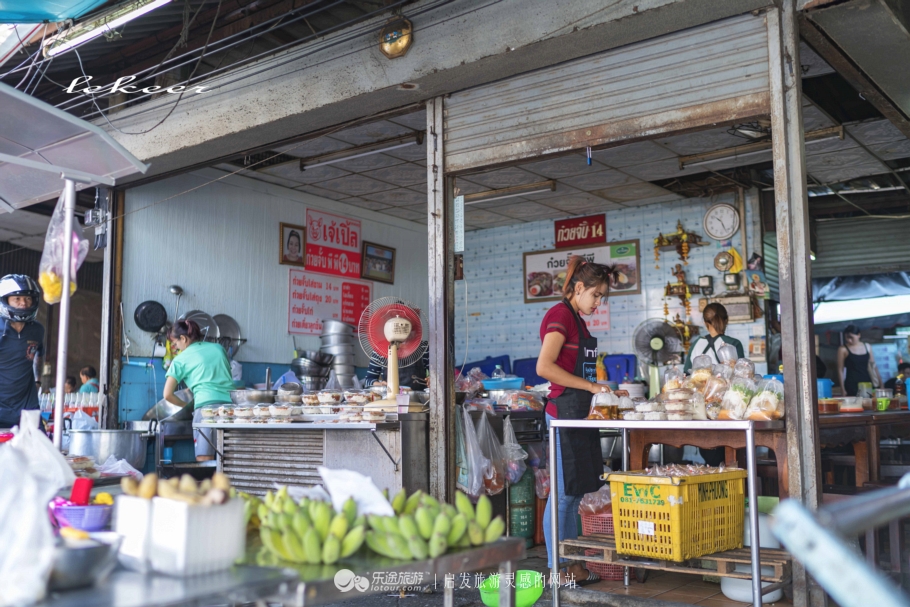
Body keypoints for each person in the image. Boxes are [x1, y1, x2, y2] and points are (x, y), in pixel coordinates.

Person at [536, 256, 615, 586]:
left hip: (578, 414)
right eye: (596, 295)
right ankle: (561, 568)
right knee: (564, 495)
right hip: (562, 413)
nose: (598, 303)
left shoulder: (578, 321)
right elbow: (544, 367)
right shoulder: (559, 316)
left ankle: (572, 565)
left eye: (602, 298)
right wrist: (591, 386)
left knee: (574, 492)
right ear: (578, 288)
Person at [164, 320, 234, 461]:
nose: (177, 348)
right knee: (229, 458)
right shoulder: (218, 348)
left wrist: (187, 407)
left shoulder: (180, 359)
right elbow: (218, 376)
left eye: (176, 344)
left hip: (206, 410)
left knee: (205, 457)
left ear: (183, 339)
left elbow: (167, 395)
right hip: (231, 408)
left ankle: (208, 483)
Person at [0, 275, 44, 428]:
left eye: (27, 299)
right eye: (17, 299)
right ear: (5, 300)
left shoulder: (37, 330)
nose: (23, 304)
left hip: (28, 407)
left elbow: (39, 352)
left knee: (40, 450)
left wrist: (38, 380)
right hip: (1, 407)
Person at [682, 303, 745, 372]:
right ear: (726, 321)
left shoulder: (696, 344)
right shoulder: (734, 343)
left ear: (705, 323)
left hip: (697, 382)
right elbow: (741, 374)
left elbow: (686, 373)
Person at [363, 342, 429, 390]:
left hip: (418, 400)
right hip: (389, 401)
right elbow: (368, 380)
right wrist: (380, 384)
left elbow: (436, 377)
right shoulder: (380, 350)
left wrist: (431, 380)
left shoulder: (424, 348)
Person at [837, 325, 880, 396]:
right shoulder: (843, 349)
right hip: (851, 384)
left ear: (858, 335)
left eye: (851, 337)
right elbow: (840, 370)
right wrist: (842, 389)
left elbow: (873, 367)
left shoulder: (867, 347)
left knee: (868, 405)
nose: (848, 340)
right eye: (847, 337)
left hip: (867, 383)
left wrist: (880, 383)